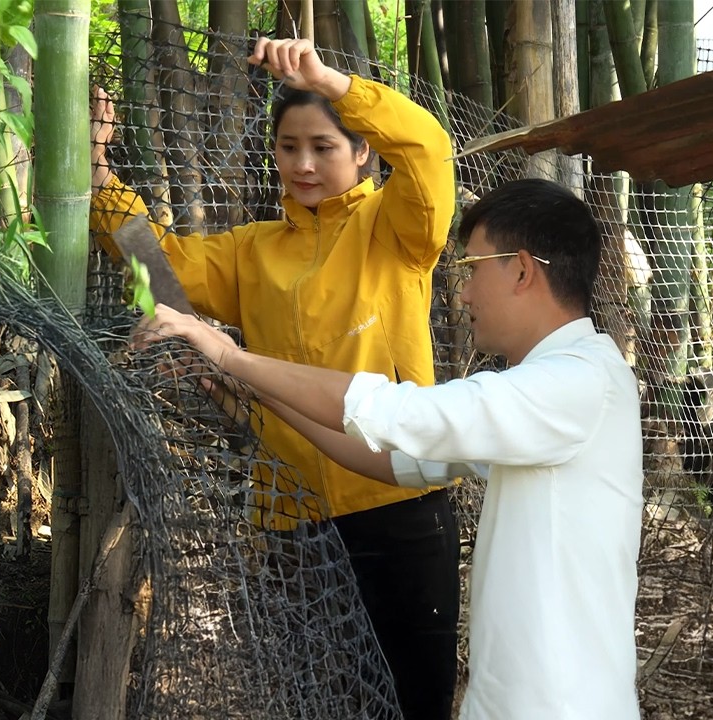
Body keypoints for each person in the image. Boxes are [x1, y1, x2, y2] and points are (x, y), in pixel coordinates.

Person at [138, 178, 643, 719]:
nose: (464, 293)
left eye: (472, 269)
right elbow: (390, 458)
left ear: (522, 269)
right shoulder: (547, 390)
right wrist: (252, 389)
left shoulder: (576, 382)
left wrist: (231, 355)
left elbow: (396, 412)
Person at [91, 36, 459, 719]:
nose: (305, 164)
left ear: (364, 152)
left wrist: (335, 82)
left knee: (414, 700)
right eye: (289, 147)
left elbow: (431, 150)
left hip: (399, 506)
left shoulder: (397, 228)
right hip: (292, 518)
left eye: (323, 146)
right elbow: (161, 277)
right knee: (316, 698)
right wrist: (99, 178)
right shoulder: (253, 251)